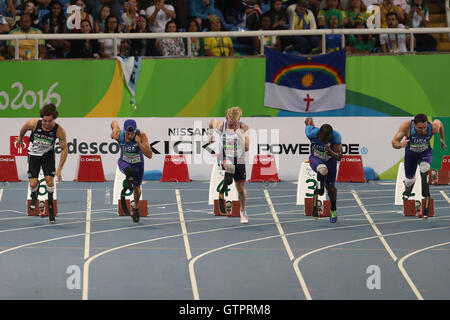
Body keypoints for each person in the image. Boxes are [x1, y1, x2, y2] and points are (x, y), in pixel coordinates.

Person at [16, 103, 68, 224]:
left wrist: (60, 168)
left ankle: (50, 204)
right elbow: (24, 128)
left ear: (53, 119)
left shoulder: (59, 130)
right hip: (33, 154)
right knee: (33, 184)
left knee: (50, 181)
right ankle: (34, 195)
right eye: (44, 120)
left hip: (47, 156)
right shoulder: (34, 123)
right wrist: (20, 138)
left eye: (49, 121)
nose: (46, 123)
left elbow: (64, 149)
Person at [391, 114, 446, 219]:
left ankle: (425, 195)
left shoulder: (432, 128)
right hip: (411, 155)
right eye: (420, 128)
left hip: (425, 153)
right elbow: (394, 142)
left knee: (425, 168)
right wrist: (401, 145)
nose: (423, 130)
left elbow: (440, 123)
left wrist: (442, 138)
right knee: (409, 180)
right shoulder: (406, 126)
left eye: (425, 127)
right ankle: (408, 189)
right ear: (414, 125)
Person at [209, 106, 250, 224]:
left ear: (239, 119)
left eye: (235, 122)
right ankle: (225, 185)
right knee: (229, 167)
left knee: (240, 189)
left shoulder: (244, 127)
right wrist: (210, 135)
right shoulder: (221, 126)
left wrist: (239, 133)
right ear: (227, 117)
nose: (232, 125)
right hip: (225, 158)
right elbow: (212, 122)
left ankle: (243, 211)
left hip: (240, 159)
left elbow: (246, 148)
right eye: (231, 122)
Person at [110, 119, 153, 223]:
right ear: (124, 131)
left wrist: (139, 143)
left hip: (138, 164)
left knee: (137, 188)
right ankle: (129, 180)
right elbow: (114, 123)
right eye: (128, 133)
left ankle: (136, 207)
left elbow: (149, 155)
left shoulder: (141, 136)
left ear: (135, 130)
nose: (130, 135)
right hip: (124, 162)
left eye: (132, 132)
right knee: (129, 171)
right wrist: (112, 131)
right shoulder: (117, 135)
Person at [304, 117, 342, 223]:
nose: (323, 141)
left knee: (331, 189)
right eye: (321, 139)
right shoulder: (311, 132)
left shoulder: (336, 136)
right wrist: (309, 120)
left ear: (330, 137)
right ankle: (320, 187)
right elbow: (308, 122)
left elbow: (339, 157)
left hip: (330, 160)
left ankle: (333, 210)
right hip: (315, 158)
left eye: (326, 140)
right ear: (318, 134)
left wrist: (331, 152)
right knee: (322, 169)